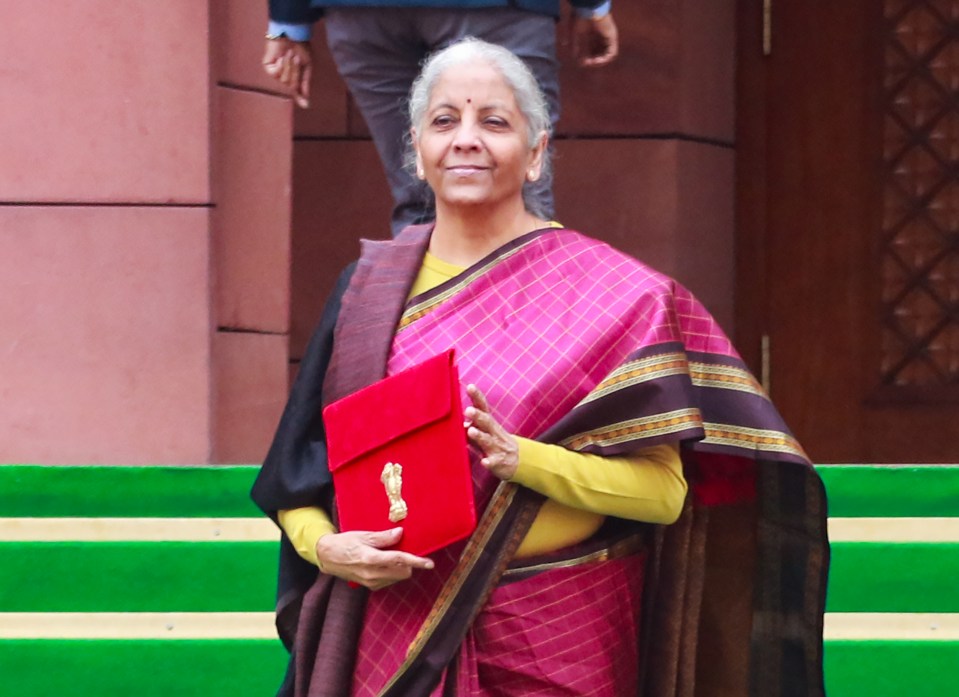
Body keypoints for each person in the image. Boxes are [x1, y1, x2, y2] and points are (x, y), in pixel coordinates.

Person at [252, 38, 829, 697]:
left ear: (535, 154)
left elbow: (664, 493)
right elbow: (298, 476)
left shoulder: (617, 296)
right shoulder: (367, 292)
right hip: (392, 626)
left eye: (494, 121)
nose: (466, 139)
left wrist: (521, 459)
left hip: (556, 632)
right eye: (445, 120)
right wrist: (326, 549)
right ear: (417, 149)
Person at [262, 0, 620, 235]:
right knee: (517, 189)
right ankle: (524, 329)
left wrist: (288, 20)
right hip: (498, 11)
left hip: (363, 14)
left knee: (419, 196)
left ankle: (427, 329)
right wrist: (591, 7)